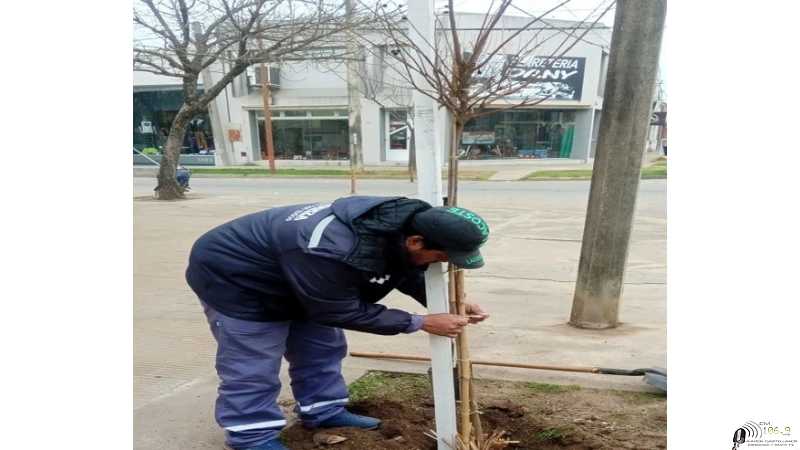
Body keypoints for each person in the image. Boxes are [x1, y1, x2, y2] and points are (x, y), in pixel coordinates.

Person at [186, 196, 491, 450]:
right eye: (440, 256)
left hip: (303, 277)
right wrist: (419, 321)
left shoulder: (403, 223)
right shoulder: (330, 247)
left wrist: (447, 304)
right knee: (253, 362)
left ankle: (324, 410)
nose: (442, 263)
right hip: (238, 280)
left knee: (323, 347)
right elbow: (338, 310)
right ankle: (251, 437)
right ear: (415, 241)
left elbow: (404, 268)